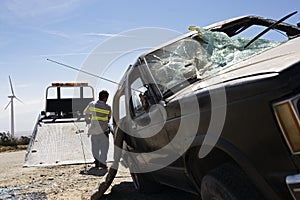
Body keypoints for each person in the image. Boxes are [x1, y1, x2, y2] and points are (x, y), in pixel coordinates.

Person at [84, 90, 111, 169]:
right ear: (106, 98)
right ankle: (103, 163)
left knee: (95, 148)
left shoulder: (92, 104)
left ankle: (97, 162)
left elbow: (86, 114)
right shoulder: (108, 107)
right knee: (104, 148)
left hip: (94, 131)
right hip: (104, 131)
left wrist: (87, 120)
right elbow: (109, 118)